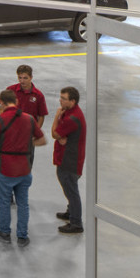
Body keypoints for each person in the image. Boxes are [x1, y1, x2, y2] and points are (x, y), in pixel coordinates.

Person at [0, 88, 45, 246]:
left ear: (3, 103)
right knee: (23, 203)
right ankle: (22, 236)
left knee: (5, 202)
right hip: (24, 168)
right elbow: (42, 140)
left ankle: (4, 232)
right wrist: (26, 144)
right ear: (17, 101)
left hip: (6, 168)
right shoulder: (29, 119)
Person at [51, 85, 86, 234]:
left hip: (69, 160)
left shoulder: (71, 118)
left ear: (72, 101)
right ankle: (71, 212)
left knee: (71, 190)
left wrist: (56, 116)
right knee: (68, 187)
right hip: (67, 157)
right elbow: (59, 136)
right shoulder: (71, 112)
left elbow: (54, 133)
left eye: (63, 99)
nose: (60, 101)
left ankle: (76, 223)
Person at [9, 64, 48, 129]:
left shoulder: (38, 95)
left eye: (25, 78)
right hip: (12, 129)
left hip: (28, 130)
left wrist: (36, 132)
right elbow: (2, 107)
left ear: (31, 77)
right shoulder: (11, 90)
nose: (22, 81)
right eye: (20, 77)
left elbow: (41, 116)